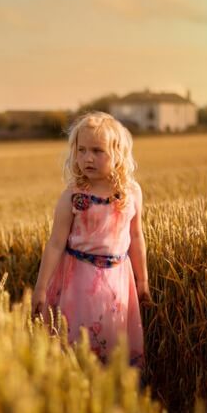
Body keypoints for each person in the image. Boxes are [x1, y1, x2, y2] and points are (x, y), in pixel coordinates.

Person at [31, 111, 153, 371]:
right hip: (78, 282)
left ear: (118, 153)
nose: (88, 158)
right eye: (82, 150)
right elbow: (55, 244)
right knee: (79, 339)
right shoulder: (72, 196)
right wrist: (41, 288)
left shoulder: (131, 193)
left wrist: (142, 281)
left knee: (113, 336)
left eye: (97, 151)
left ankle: (112, 391)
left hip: (118, 281)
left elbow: (136, 236)